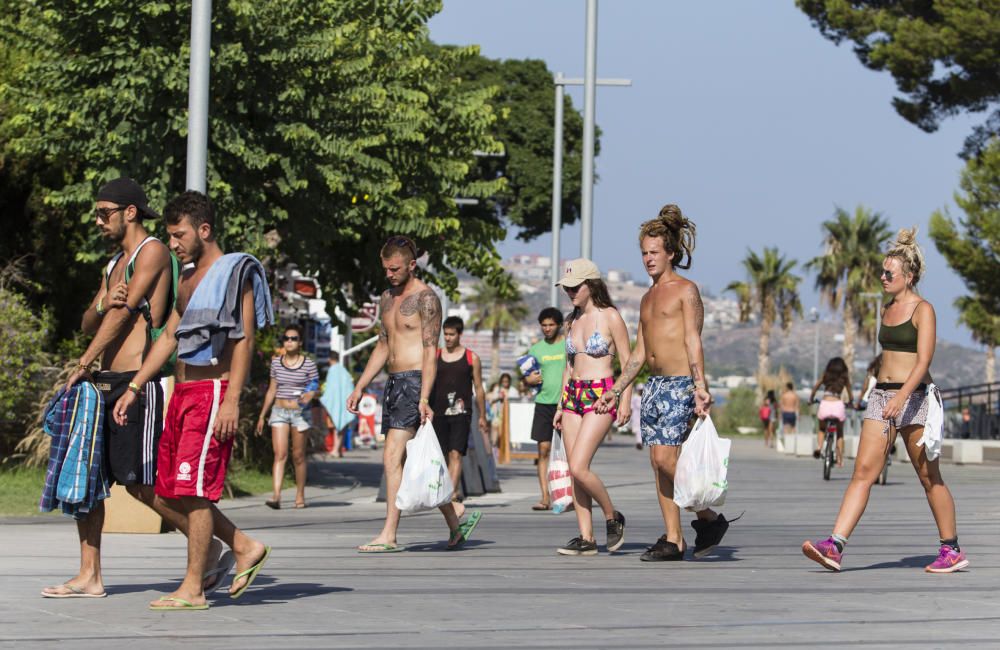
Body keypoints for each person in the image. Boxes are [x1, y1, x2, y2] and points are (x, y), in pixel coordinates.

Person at [113, 190, 273, 609]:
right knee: (166, 492)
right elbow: (169, 336)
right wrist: (136, 386)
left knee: (196, 491)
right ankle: (242, 546)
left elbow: (244, 340)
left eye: (179, 235)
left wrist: (232, 400)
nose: (173, 244)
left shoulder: (232, 272)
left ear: (204, 229)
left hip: (213, 392)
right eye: (169, 236)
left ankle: (194, 588)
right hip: (181, 392)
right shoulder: (185, 277)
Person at [803, 228, 968, 573]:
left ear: (908, 277)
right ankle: (835, 545)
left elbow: (923, 362)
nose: (882, 277)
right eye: (882, 271)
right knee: (863, 471)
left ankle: (950, 549)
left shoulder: (923, 309)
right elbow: (886, 357)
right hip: (882, 395)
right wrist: (880, 393)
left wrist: (902, 397)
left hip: (915, 397)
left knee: (928, 476)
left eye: (888, 273)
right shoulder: (887, 308)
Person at [42, 178, 176, 599]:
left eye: (105, 212)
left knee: (139, 482)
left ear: (130, 212)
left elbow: (123, 317)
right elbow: (92, 319)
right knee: (89, 481)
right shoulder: (114, 263)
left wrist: (83, 361)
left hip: (138, 382)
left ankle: (217, 542)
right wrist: (102, 302)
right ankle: (90, 576)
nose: (98, 220)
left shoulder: (151, 251)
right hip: (104, 383)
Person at [596, 204, 731, 562]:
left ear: (671, 252)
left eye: (654, 252)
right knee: (658, 463)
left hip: (680, 384)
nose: (648, 259)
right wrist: (615, 390)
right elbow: (639, 353)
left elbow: (692, 339)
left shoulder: (686, 290)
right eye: (643, 253)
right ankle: (677, 537)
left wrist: (700, 385)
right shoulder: (646, 297)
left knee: (667, 460)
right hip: (654, 386)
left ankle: (706, 520)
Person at [347, 236, 481, 552]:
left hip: (415, 382)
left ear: (411, 264)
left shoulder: (426, 299)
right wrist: (361, 383)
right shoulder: (386, 298)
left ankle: (389, 534)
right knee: (416, 461)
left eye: (394, 269)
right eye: (385, 269)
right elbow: (383, 344)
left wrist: (424, 397)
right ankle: (455, 519)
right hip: (393, 383)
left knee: (393, 455)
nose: (389, 274)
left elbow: (429, 351)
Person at [552, 258, 631, 556]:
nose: (570, 291)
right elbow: (568, 366)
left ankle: (613, 516)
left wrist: (623, 397)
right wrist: (561, 403)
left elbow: (628, 360)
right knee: (575, 472)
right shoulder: (570, 321)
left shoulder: (610, 316)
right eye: (566, 287)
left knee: (579, 466)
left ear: (591, 285)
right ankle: (587, 537)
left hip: (602, 394)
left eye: (575, 286)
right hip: (573, 395)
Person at [256, 324, 318, 509]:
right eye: (286, 338)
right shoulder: (276, 362)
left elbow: (314, 386)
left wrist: (309, 395)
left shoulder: (308, 364)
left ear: (300, 342)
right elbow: (271, 389)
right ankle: (276, 496)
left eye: (294, 338)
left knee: (298, 455)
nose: (289, 341)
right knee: (280, 454)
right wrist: (262, 415)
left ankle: (300, 495)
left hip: (300, 413)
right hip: (279, 411)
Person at [430, 316, 488, 503]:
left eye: (451, 334)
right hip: (438, 413)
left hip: (462, 413)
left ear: (460, 334)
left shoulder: (472, 358)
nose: (447, 338)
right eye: (445, 334)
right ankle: (446, 488)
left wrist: (483, 416)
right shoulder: (435, 356)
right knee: (443, 454)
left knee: (456, 453)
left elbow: (479, 388)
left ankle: (452, 492)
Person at [522, 307, 566, 511]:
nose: (547, 328)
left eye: (551, 325)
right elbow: (527, 379)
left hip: (566, 405)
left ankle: (568, 494)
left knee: (569, 453)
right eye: (544, 325)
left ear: (559, 325)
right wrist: (528, 380)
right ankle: (545, 497)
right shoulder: (535, 350)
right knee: (543, 450)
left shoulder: (568, 345)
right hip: (543, 404)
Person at [809, 357, 853, 467]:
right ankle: (839, 458)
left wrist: (811, 399)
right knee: (839, 433)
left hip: (825, 405)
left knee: (822, 429)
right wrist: (851, 402)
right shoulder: (844, 378)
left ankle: (819, 448)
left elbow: (815, 388)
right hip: (838, 406)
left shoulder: (825, 376)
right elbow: (850, 393)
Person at [319, 351, 356, 457]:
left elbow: (331, 388)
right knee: (342, 426)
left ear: (329, 359)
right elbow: (349, 386)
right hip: (343, 401)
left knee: (336, 425)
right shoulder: (343, 370)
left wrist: (325, 398)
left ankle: (336, 449)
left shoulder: (333, 370)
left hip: (335, 402)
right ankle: (338, 449)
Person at [487, 373, 519, 449]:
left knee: (506, 431)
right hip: (498, 413)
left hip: (509, 415)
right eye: (503, 381)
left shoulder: (513, 391)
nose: (505, 383)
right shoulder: (497, 389)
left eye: (507, 381)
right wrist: (498, 397)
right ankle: (494, 446)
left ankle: (506, 448)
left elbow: (517, 401)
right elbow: (490, 400)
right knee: (496, 429)